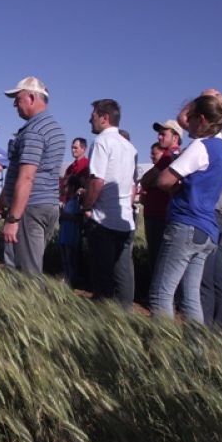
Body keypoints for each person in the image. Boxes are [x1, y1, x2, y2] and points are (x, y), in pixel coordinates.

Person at [148, 94, 222, 322]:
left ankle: (162, 350)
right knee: (190, 297)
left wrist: (176, 188)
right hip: (207, 231)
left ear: (202, 120)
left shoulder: (200, 147)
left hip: (185, 225)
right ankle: (195, 352)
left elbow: (164, 180)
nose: (188, 123)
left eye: (192, 118)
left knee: (160, 294)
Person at [0, 76, 66, 275]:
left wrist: (13, 220)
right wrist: (3, 200)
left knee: (25, 274)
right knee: (30, 266)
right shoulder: (54, 128)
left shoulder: (34, 131)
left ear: (32, 98)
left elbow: (26, 177)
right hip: (47, 205)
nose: (15, 104)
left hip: (29, 209)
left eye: (18, 98)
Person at [180, 89, 222, 330]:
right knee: (213, 277)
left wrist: (197, 98)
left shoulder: (219, 138)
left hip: (210, 211)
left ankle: (207, 333)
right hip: (217, 212)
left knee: (205, 279)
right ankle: (216, 332)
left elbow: (185, 120)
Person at [81, 99, 137, 306]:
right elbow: (132, 184)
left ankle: (103, 320)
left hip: (103, 220)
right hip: (125, 220)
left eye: (93, 116)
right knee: (123, 275)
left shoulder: (102, 142)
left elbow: (97, 181)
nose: (90, 120)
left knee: (102, 278)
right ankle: (125, 317)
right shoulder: (129, 147)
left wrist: (86, 206)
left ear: (104, 118)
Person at [138, 120, 183, 273]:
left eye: (164, 134)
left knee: (159, 260)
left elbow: (146, 180)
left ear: (175, 137)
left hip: (160, 215)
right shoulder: (167, 156)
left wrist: (151, 182)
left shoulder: (170, 156)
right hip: (157, 213)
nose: (159, 137)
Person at [58, 175, 84, 288]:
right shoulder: (69, 202)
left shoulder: (77, 201)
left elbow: (79, 218)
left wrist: (64, 215)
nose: (64, 189)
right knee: (65, 260)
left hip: (71, 236)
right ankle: (67, 278)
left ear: (72, 187)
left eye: (66, 186)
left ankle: (72, 281)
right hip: (64, 235)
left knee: (71, 260)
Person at [59, 138, 89, 202]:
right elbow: (63, 188)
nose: (73, 150)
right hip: (68, 205)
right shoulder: (70, 168)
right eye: (72, 148)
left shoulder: (88, 165)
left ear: (83, 149)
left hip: (81, 205)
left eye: (75, 148)